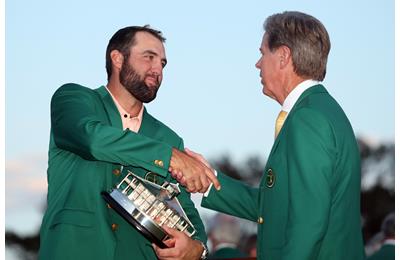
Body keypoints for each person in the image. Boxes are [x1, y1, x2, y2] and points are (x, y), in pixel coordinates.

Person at [167, 11, 365, 259]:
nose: (258, 63)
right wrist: (209, 182)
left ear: (283, 56)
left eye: (262, 53)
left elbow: (308, 223)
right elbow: (273, 206)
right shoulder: (319, 111)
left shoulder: (308, 119)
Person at [38, 25, 219, 260]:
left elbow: (185, 211)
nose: (158, 69)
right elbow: (92, 139)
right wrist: (170, 157)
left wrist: (198, 249)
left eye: (162, 63)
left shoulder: (168, 138)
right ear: (117, 58)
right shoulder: (73, 100)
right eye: (149, 57)